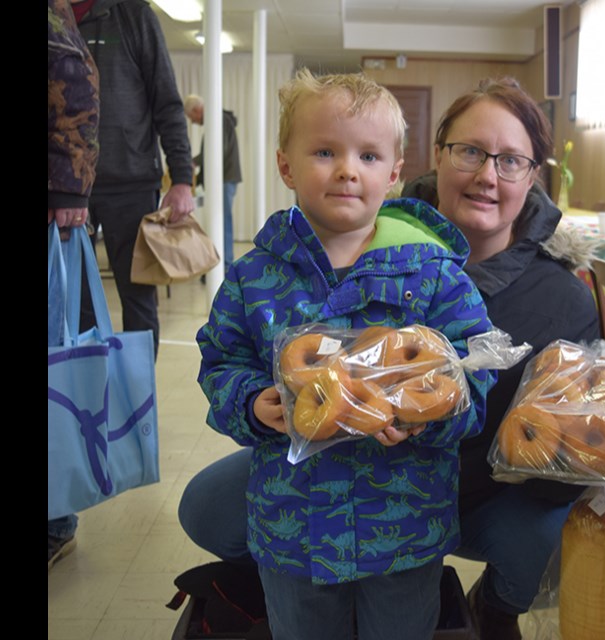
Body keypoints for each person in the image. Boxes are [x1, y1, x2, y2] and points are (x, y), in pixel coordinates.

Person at [192, 69, 495, 640]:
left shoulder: (434, 276)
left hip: (404, 529)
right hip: (293, 532)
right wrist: (254, 406)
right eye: (325, 151)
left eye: (370, 156)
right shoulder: (253, 277)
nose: (348, 169)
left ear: (395, 173)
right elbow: (220, 362)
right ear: (286, 165)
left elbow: (473, 379)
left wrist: (421, 416)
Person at [401, 77, 601, 640]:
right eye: (469, 152)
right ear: (438, 156)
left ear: (532, 176)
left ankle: (498, 605)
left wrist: (581, 447)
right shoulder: (375, 256)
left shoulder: (563, 299)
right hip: (369, 471)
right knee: (208, 508)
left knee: (535, 532)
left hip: (486, 489)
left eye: (510, 160)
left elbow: (567, 459)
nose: (488, 176)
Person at [73, 0, 194, 354]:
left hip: (132, 182)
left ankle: (137, 400)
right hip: (67, 189)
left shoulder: (133, 14)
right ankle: (89, 399)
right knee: (74, 303)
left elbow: (167, 102)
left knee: (138, 299)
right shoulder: (57, 17)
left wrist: (183, 178)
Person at [47, 0, 99, 571]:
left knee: (55, 369)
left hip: (54, 212)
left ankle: (55, 518)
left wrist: (68, 190)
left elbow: (72, 78)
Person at [184, 94, 243, 269]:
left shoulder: (220, 120)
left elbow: (217, 150)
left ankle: (224, 265)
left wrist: (193, 162)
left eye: (191, 117)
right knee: (220, 221)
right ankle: (221, 263)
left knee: (223, 221)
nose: (193, 122)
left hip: (224, 180)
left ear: (197, 110)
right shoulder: (218, 120)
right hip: (223, 179)